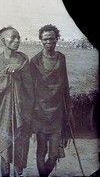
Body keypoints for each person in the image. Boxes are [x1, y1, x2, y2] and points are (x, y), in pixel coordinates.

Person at [0, 26, 34, 177]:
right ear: (3, 40)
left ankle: (18, 174)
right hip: (2, 111)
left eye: (18, 37)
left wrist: (18, 69)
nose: (17, 40)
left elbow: (29, 84)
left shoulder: (23, 59)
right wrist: (5, 74)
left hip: (21, 110)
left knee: (20, 147)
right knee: (5, 149)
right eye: (13, 37)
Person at [30, 24, 73, 177]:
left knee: (54, 154)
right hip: (40, 112)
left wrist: (69, 107)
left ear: (57, 39)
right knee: (41, 151)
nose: (49, 41)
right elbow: (30, 88)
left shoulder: (61, 58)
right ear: (41, 40)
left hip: (57, 113)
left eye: (52, 38)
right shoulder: (34, 61)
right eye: (46, 38)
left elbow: (65, 83)